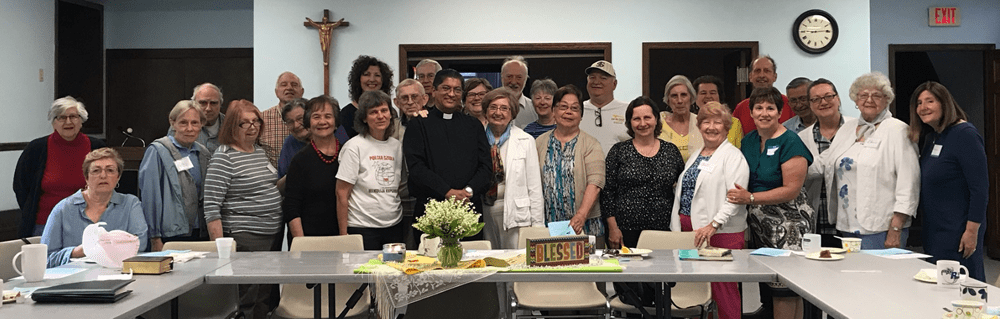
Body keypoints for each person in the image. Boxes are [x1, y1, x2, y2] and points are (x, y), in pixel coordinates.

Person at [727, 87, 813, 319]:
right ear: (751, 113)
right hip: (760, 225)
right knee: (773, 290)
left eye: (770, 108)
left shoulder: (790, 141)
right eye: (759, 108)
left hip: (789, 224)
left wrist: (751, 198)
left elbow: (791, 190)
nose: (764, 113)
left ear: (780, 112)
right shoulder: (749, 141)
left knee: (786, 289)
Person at [203, 99, 283, 319]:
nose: (253, 127)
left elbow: (269, 186)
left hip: (271, 234)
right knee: (246, 297)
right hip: (245, 236)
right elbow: (211, 206)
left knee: (263, 294)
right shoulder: (224, 157)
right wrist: (221, 253)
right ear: (231, 127)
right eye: (244, 123)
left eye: (256, 121)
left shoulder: (258, 152)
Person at [821, 72, 919, 250]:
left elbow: (909, 182)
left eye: (876, 95)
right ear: (856, 100)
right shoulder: (847, 129)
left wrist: (896, 228)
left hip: (882, 227)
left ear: (887, 99)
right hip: (846, 225)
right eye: (863, 95)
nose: (869, 100)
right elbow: (826, 162)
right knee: (851, 276)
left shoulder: (898, 130)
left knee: (881, 277)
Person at [670, 102, 749, 319]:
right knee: (700, 290)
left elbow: (735, 198)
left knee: (724, 291)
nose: (711, 127)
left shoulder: (733, 157)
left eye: (717, 122)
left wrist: (714, 224)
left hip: (721, 233)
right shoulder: (698, 154)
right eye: (706, 122)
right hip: (692, 232)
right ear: (699, 125)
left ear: (726, 127)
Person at [909, 81, 987, 282]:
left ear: (944, 103)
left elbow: (979, 189)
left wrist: (971, 231)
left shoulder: (965, 134)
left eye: (930, 101)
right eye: (919, 103)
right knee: (937, 288)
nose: (923, 107)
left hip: (959, 231)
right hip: (935, 229)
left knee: (964, 287)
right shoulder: (933, 137)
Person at [403, 69, 492, 242]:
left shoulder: (473, 126)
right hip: (431, 210)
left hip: (468, 209)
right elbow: (416, 168)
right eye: (446, 88)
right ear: (434, 91)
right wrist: (446, 191)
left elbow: (485, 166)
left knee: (471, 264)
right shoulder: (418, 125)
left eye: (457, 90)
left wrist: (467, 191)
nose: (451, 94)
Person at [14, 96, 106, 237]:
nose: (68, 122)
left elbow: (107, 184)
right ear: (53, 123)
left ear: (81, 120)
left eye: (73, 116)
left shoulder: (97, 148)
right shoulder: (36, 149)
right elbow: (21, 186)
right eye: (61, 117)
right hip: (44, 225)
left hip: (88, 225)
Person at [42, 148, 148, 267]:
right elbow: (45, 258)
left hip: (117, 274)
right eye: (96, 171)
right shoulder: (63, 209)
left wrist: (101, 247)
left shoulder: (130, 204)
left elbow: (140, 244)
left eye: (110, 170)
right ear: (86, 177)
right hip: (73, 280)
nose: (103, 175)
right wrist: (79, 251)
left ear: (118, 177)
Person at [602, 96, 684, 249]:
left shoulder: (671, 151)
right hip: (625, 231)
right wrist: (613, 228)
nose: (642, 123)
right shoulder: (619, 151)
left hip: (664, 231)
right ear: (629, 123)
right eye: (636, 119)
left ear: (656, 120)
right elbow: (607, 193)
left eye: (647, 117)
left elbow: (683, 189)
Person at [535, 85, 606, 246]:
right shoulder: (539, 142)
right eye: (563, 107)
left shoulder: (591, 144)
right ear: (553, 111)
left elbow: (595, 183)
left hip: (585, 225)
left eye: (574, 108)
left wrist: (581, 216)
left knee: (588, 270)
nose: (568, 112)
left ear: (581, 115)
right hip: (549, 226)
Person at [335, 91, 406, 250]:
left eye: (384, 110)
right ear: (364, 118)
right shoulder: (354, 147)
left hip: (394, 224)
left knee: (393, 272)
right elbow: (341, 192)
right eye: (373, 112)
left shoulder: (396, 146)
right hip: (362, 227)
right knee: (366, 273)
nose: (380, 116)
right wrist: (343, 234)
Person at [138, 100, 211, 251]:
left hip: (200, 233)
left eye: (195, 123)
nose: (189, 128)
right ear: (173, 123)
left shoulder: (203, 153)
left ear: (201, 125)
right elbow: (150, 197)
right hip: (169, 235)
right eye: (183, 123)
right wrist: (154, 237)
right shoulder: (157, 151)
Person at [480, 88, 544, 249]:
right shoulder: (476, 137)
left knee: (514, 260)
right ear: (486, 111)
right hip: (484, 210)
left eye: (504, 108)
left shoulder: (525, 140)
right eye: (493, 107)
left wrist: (537, 226)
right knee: (486, 259)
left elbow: (534, 186)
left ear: (512, 112)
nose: (498, 112)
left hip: (516, 212)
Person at [798, 78, 852, 248]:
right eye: (816, 99)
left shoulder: (857, 129)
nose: (823, 102)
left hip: (852, 220)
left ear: (838, 99)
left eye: (828, 96)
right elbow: (803, 173)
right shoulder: (802, 138)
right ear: (811, 105)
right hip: (818, 220)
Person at [283, 95, 343, 239]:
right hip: (307, 238)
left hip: (341, 236)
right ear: (308, 123)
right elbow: (291, 207)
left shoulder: (347, 154)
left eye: (328, 116)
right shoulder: (299, 160)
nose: (322, 122)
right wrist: (302, 243)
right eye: (316, 117)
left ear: (335, 122)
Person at [731, 56, 794, 134]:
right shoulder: (740, 108)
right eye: (757, 71)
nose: (761, 75)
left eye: (766, 71)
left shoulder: (789, 104)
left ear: (775, 76)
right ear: (750, 76)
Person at [579, 60, 630, 158]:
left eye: (603, 78)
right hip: (584, 171)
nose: (597, 82)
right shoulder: (577, 110)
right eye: (592, 77)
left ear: (614, 84)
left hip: (619, 171)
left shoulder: (628, 110)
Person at [342, 55, 394, 139]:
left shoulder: (390, 112)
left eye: (377, 75)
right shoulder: (345, 114)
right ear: (358, 79)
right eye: (366, 74)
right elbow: (340, 142)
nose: (372, 79)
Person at [260, 72, 305, 167]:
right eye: (284, 85)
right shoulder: (261, 119)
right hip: (271, 178)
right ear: (276, 92)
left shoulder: (311, 116)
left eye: (294, 85)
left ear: (302, 91)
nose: (289, 88)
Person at [168, 83, 225, 154]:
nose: (208, 108)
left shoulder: (231, 126)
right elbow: (170, 153)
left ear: (220, 104)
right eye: (203, 103)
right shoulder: (179, 126)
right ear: (193, 103)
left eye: (213, 103)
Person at [659, 75, 703, 161]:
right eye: (674, 96)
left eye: (683, 95)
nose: (679, 101)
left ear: (691, 98)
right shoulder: (659, 122)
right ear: (668, 100)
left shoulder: (701, 122)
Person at [692, 75, 743, 147]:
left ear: (719, 95)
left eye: (712, 93)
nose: (708, 96)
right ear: (695, 97)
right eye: (703, 93)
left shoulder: (734, 123)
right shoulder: (691, 121)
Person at [276, 98, 310, 178]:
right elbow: (280, 181)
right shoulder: (290, 142)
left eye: (300, 118)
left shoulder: (330, 136)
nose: (296, 125)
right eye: (290, 122)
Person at [502, 56, 536, 127]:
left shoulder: (535, 109)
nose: (514, 82)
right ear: (502, 77)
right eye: (509, 76)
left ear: (525, 80)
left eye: (519, 77)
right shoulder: (489, 106)